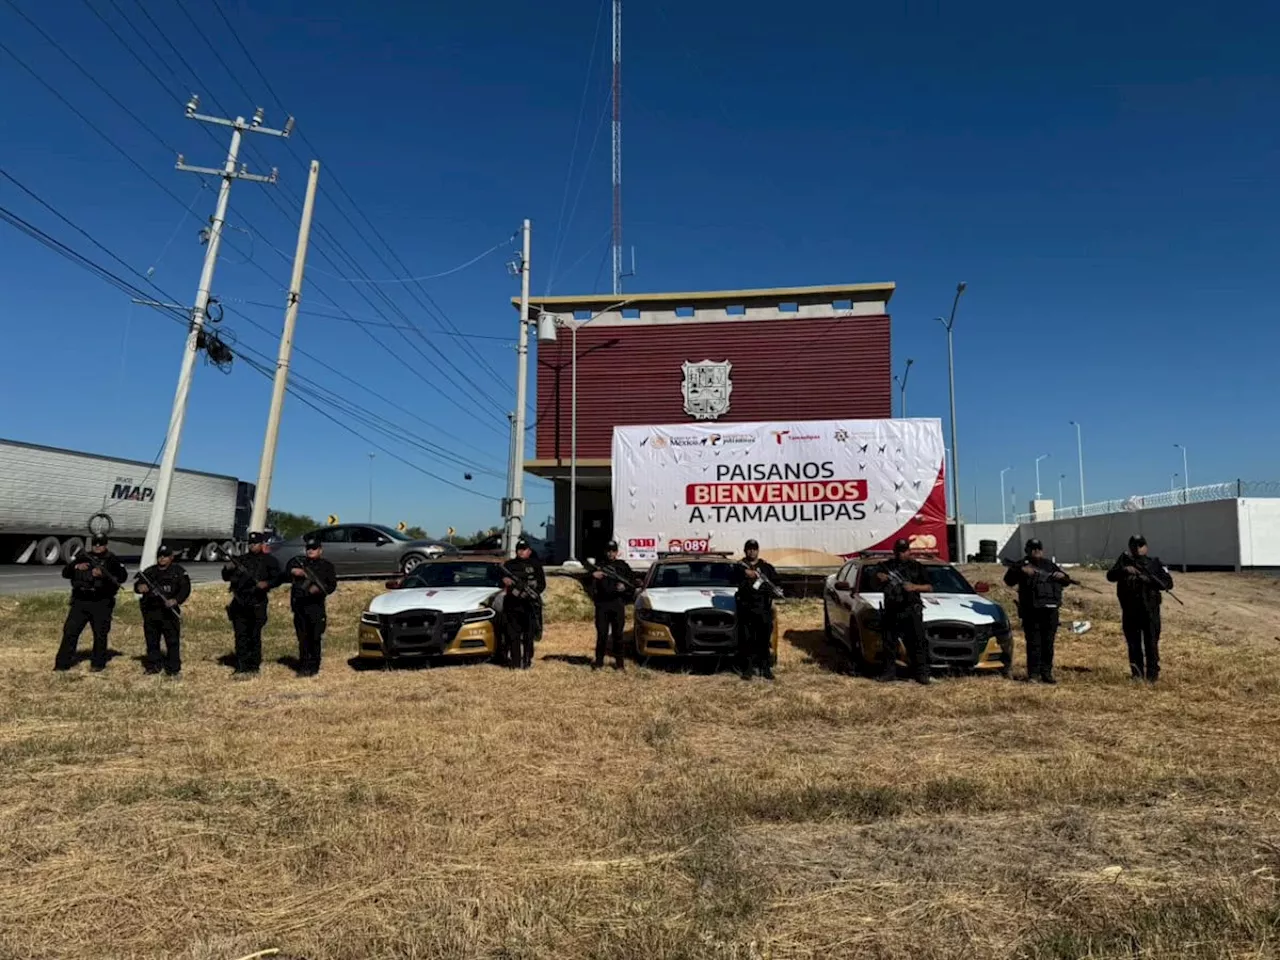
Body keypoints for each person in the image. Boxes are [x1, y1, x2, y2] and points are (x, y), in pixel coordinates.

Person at [54, 533, 128, 672]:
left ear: (106, 545)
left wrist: (103, 574)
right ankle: (62, 664)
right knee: (70, 631)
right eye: (95, 544)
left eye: (100, 544)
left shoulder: (112, 559)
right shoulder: (83, 556)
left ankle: (98, 664)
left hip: (101, 602)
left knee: (100, 634)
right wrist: (76, 567)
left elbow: (122, 577)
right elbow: (65, 573)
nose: (97, 547)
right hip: (80, 600)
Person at [1107, 535, 1174, 682]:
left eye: (1140, 545)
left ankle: (1152, 675)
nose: (1137, 548)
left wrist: (1148, 580)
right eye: (1134, 545)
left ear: (1146, 547)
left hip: (1150, 611)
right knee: (1133, 644)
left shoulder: (1155, 564)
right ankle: (1136, 673)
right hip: (1131, 610)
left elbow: (1168, 584)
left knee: (1151, 643)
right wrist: (1125, 570)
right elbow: (1110, 576)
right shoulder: (1124, 561)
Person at [1002, 538, 1068, 683]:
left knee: (1048, 644)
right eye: (1033, 549)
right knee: (1034, 644)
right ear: (1027, 550)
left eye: (1038, 548)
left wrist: (1063, 577)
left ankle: (1046, 673)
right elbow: (1008, 580)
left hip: (1050, 611)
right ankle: (1033, 674)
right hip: (1031, 612)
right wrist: (1021, 570)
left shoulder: (1048, 565)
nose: (1036, 551)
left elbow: (1066, 580)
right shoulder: (1021, 565)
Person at [872, 538, 933, 684]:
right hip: (892, 609)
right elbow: (873, 579)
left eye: (904, 551)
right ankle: (889, 673)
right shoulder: (885, 566)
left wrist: (914, 587)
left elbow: (929, 587)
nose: (901, 554)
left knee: (918, 642)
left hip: (911, 609)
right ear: (894, 552)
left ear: (909, 551)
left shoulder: (916, 567)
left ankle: (921, 674)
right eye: (899, 551)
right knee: (889, 643)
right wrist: (879, 577)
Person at [221, 531, 282, 676]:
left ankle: (254, 666)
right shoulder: (240, 560)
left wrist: (266, 583)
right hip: (240, 602)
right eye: (250, 543)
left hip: (257, 602)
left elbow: (278, 578)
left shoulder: (269, 561)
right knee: (240, 635)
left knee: (254, 635)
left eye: (255, 543)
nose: (252, 546)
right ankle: (242, 665)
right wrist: (227, 569)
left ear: (261, 544)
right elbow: (226, 577)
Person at [282, 536, 338, 676]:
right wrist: (294, 571)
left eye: (314, 548)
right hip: (300, 605)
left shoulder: (326, 566)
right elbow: (286, 572)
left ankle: (314, 666)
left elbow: (331, 586)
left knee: (315, 636)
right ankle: (303, 665)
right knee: (302, 637)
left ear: (320, 550)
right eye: (308, 548)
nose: (311, 551)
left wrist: (318, 590)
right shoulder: (300, 562)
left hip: (315, 607)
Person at [134, 544, 191, 676]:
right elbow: (137, 584)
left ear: (171, 557)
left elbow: (185, 589)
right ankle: (154, 666)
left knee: (172, 641)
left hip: (169, 612)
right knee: (152, 640)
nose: (162, 559)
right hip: (151, 612)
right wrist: (140, 587)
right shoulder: (149, 572)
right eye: (160, 556)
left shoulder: (178, 571)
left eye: (165, 556)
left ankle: (173, 669)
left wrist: (175, 600)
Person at [731, 539, 780, 680]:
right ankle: (748, 669)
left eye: (754, 549)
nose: (752, 551)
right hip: (746, 610)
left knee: (764, 640)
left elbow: (776, 583)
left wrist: (772, 591)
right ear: (745, 550)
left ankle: (765, 669)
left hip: (763, 609)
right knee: (747, 640)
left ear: (758, 550)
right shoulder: (739, 567)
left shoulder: (766, 567)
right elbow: (732, 578)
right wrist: (744, 573)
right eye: (749, 549)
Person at [589, 540, 635, 671]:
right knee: (602, 635)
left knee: (618, 635)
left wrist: (624, 587)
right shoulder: (599, 565)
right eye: (608, 551)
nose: (611, 554)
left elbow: (631, 583)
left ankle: (619, 664)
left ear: (617, 552)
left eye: (613, 551)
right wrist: (593, 575)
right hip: (602, 605)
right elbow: (587, 581)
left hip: (617, 604)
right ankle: (598, 663)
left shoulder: (623, 566)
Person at [501, 538, 546, 669]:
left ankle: (526, 660)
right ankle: (515, 662)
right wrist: (504, 580)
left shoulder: (535, 565)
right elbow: (500, 579)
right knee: (513, 635)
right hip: (513, 605)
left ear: (529, 551)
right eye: (519, 549)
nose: (521, 552)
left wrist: (532, 593)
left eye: (524, 549)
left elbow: (542, 584)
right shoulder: (509, 565)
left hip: (530, 605)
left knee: (528, 635)